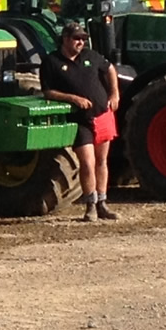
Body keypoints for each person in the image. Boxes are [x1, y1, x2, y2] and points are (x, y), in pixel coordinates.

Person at [39, 22, 121, 221]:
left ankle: (102, 203)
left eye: (83, 39)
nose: (81, 42)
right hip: (79, 119)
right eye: (77, 38)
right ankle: (90, 205)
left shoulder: (90, 55)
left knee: (102, 161)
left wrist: (114, 93)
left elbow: (109, 68)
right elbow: (48, 91)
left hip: (102, 114)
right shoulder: (51, 62)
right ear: (65, 39)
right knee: (87, 162)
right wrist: (73, 99)